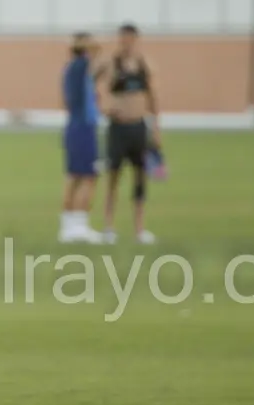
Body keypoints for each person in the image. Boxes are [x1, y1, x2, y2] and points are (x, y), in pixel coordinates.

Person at [96, 23, 161, 244]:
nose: (126, 42)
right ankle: (108, 226)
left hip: (138, 126)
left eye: (130, 38)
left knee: (140, 178)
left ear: (136, 39)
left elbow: (153, 97)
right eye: (122, 38)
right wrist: (102, 108)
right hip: (118, 127)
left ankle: (139, 229)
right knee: (113, 177)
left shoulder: (144, 64)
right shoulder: (110, 63)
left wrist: (156, 127)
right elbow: (91, 83)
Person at [59, 32, 103, 244]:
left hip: (74, 126)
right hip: (83, 127)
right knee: (88, 176)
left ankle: (68, 227)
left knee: (74, 176)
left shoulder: (70, 69)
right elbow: (98, 51)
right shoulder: (80, 66)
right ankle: (79, 226)